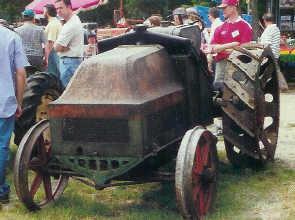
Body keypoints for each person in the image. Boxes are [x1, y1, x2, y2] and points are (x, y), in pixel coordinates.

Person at [0, 25, 28, 203]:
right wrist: (19, 101)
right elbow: (21, 73)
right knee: (2, 146)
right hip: (4, 101)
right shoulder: (11, 37)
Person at [207, 0, 253, 90]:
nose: (222, 10)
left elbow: (243, 50)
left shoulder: (245, 26)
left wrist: (220, 49)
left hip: (238, 65)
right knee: (219, 91)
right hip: (221, 66)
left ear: (233, 7)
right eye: (222, 8)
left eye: (225, 7)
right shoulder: (220, 27)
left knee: (237, 94)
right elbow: (212, 48)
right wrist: (232, 44)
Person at [54, 0, 84, 88]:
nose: (58, 11)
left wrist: (60, 46)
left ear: (69, 7)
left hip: (69, 63)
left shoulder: (70, 25)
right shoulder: (74, 19)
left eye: (60, 7)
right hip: (72, 61)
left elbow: (57, 48)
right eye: (56, 8)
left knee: (67, 94)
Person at [260, 13, 288, 91]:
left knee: (265, 73)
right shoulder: (276, 29)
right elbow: (279, 41)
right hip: (274, 55)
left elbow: (266, 44)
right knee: (271, 73)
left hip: (269, 56)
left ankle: (282, 85)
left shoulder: (269, 29)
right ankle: (281, 85)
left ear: (264, 20)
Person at [44, 4, 62, 77]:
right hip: (55, 53)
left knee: (53, 76)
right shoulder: (55, 22)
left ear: (47, 12)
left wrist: (47, 58)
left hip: (53, 53)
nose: (43, 13)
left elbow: (50, 42)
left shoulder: (53, 24)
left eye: (44, 10)